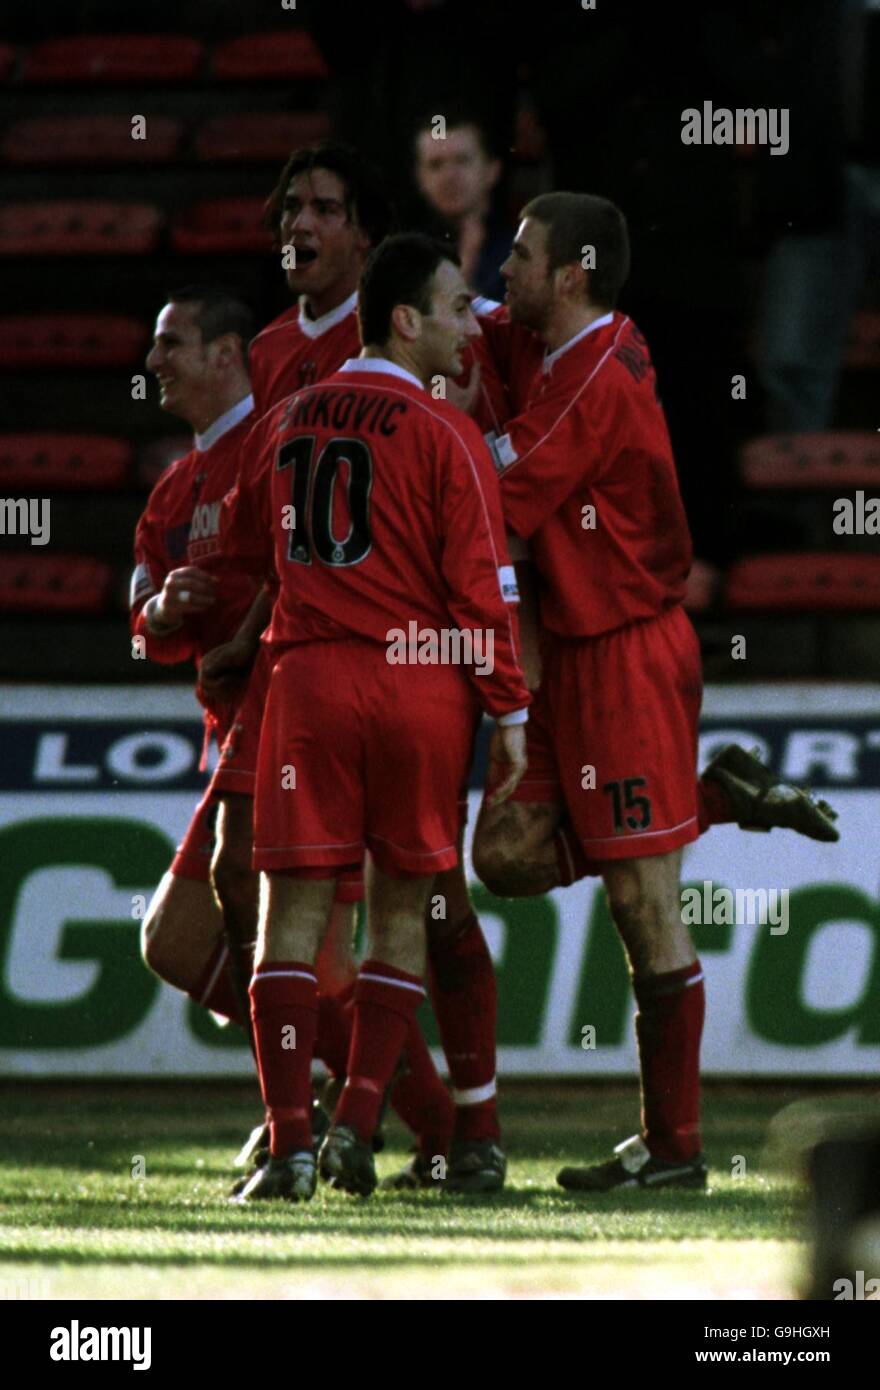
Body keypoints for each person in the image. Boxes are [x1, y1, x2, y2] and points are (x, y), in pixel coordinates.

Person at [471, 193, 838, 1193]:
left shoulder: (595, 371)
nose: (507, 269)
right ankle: (713, 796)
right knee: (501, 854)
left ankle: (673, 1150)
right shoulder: (544, 336)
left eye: (522, 255)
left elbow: (496, 486)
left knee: (642, 902)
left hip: (625, 648)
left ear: (574, 272)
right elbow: (468, 324)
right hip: (561, 648)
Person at [226, 233, 530, 1202]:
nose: (468, 326)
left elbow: (244, 548)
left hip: (308, 682)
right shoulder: (446, 432)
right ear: (403, 320)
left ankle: (289, 1148)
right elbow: (480, 591)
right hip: (417, 687)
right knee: (404, 910)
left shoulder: (283, 419)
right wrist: (510, 713)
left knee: (290, 921)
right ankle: (358, 1121)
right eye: (452, 309)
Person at [130, 285, 260, 1032]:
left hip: (299, 725)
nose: (153, 360)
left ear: (225, 355)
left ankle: (402, 1108)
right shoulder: (172, 494)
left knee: (289, 940)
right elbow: (144, 636)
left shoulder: (278, 447)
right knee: (175, 943)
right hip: (233, 736)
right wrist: (164, 612)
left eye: (170, 343)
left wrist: (245, 644)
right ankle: (346, 1082)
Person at [412, 108, 513, 301]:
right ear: (420, 178)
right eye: (436, 164)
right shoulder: (405, 258)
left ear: (492, 169)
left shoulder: (525, 253)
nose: (449, 176)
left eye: (462, 161)